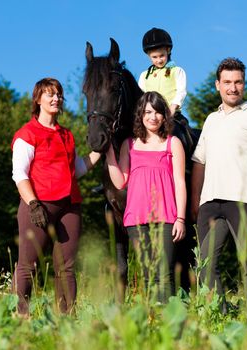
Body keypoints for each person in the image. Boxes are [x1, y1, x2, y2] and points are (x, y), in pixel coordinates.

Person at [191, 58, 247, 308]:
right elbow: (199, 163)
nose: (233, 87)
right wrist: (195, 201)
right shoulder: (211, 120)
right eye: (227, 82)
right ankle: (218, 314)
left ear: (244, 84)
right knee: (205, 264)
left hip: (245, 201)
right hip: (210, 202)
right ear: (217, 85)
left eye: (238, 82)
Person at [11, 77, 100, 315]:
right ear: (38, 99)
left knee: (67, 268)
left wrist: (99, 151)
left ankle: (67, 318)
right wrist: (33, 204)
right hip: (38, 205)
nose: (56, 98)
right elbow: (19, 174)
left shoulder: (67, 135)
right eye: (50, 94)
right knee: (28, 266)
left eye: (59, 94)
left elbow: (76, 169)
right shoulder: (27, 134)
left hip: (69, 206)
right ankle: (21, 316)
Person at [105, 91, 186, 301]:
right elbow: (120, 181)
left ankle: (168, 322)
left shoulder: (173, 143)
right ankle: (153, 322)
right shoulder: (129, 145)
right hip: (136, 219)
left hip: (167, 218)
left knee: (165, 274)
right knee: (149, 276)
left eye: (158, 112)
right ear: (140, 114)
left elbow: (180, 182)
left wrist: (181, 218)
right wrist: (108, 154)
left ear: (164, 116)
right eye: (148, 112)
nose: (153, 117)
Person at [139, 28, 187, 117]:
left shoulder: (177, 71)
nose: (159, 60)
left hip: (172, 115)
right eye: (154, 57)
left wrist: (172, 108)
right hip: (151, 116)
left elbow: (181, 91)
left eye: (162, 56)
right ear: (148, 56)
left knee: (183, 130)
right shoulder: (144, 75)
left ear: (168, 51)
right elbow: (141, 97)